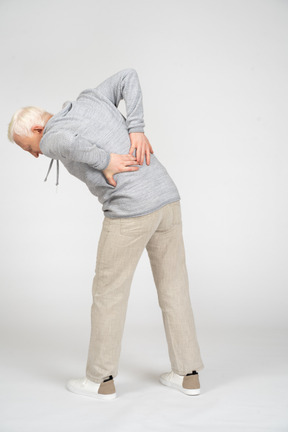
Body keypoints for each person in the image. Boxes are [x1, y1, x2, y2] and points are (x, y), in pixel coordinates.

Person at [8, 68, 204, 400]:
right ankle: (187, 376)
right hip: (167, 199)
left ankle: (100, 380)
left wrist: (106, 159)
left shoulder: (53, 135)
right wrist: (136, 128)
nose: (36, 154)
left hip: (131, 211)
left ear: (39, 128)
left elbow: (59, 141)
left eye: (30, 146)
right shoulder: (92, 98)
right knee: (174, 289)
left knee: (108, 295)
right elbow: (129, 75)